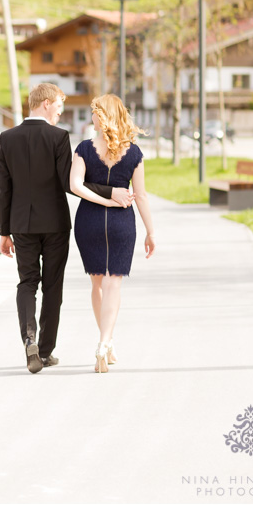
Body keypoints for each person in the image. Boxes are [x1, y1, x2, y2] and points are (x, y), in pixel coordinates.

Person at [0, 83, 133, 374]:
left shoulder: (7, 138)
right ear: (46, 104)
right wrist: (113, 191)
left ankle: (29, 339)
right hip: (55, 224)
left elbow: (3, 189)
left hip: (21, 224)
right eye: (58, 107)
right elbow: (69, 183)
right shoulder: (58, 137)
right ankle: (45, 352)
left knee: (27, 282)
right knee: (52, 286)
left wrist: (3, 231)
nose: (60, 114)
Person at [69, 94, 156, 374]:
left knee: (97, 285)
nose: (91, 117)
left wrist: (103, 201)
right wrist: (150, 231)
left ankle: (106, 341)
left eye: (94, 112)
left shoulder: (83, 148)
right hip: (121, 223)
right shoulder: (134, 153)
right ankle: (105, 342)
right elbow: (140, 196)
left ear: (103, 116)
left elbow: (76, 186)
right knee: (113, 285)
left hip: (88, 221)